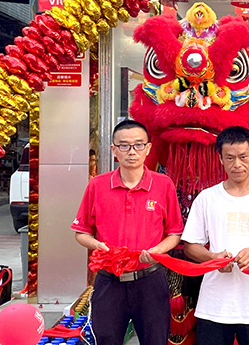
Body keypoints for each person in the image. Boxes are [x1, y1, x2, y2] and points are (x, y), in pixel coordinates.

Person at [72, 120, 183, 345]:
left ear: (148, 149)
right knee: (106, 340)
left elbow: (175, 233)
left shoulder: (163, 185)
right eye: (124, 145)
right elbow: (81, 232)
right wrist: (97, 246)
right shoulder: (97, 186)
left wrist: (158, 251)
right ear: (114, 150)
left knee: (155, 340)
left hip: (150, 280)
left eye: (138, 145)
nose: (132, 151)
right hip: (109, 281)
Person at [182, 126, 249, 345]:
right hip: (214, 305)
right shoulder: (207, 198)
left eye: (243, 156)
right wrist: (212, 258)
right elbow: (190, 246)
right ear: (220, 159)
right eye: (230, 158)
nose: (237, 164)